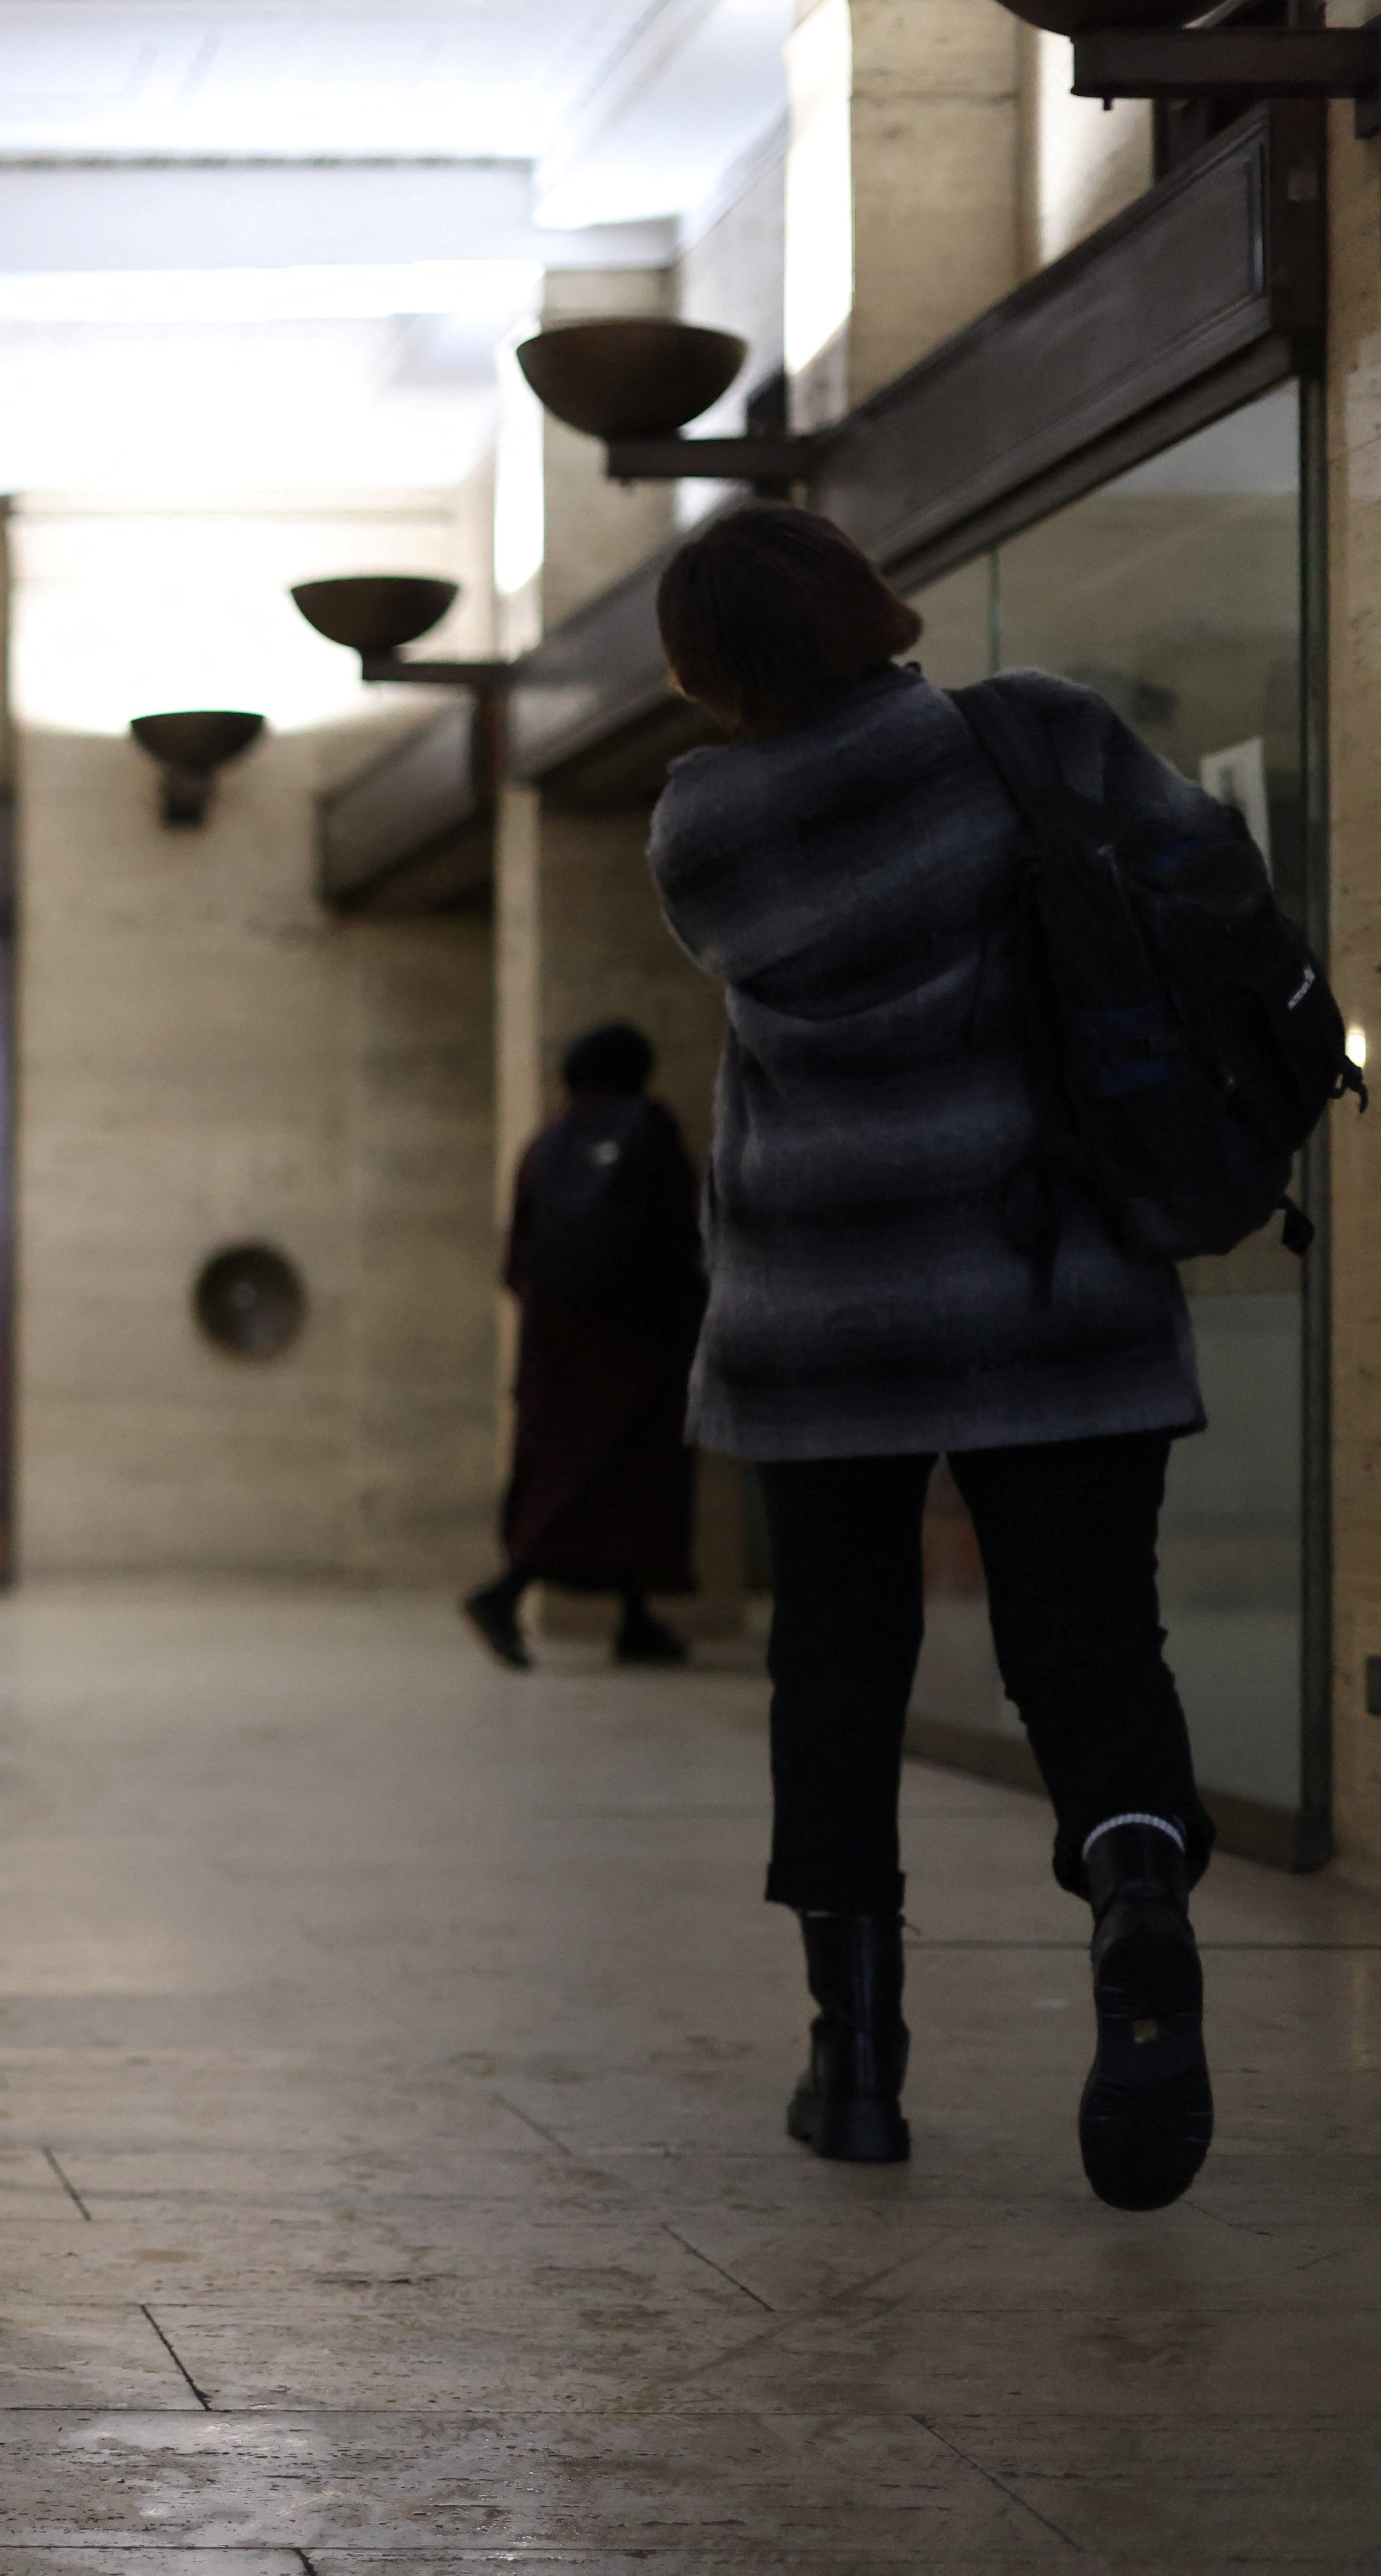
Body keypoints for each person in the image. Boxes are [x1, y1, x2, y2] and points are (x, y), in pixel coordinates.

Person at [648, 500, 1223, 2213]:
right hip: (1054, 1273)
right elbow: (1208, 884)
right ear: (861, 600)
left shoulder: (699, 825)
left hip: (820, 1307)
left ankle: (859, 2063)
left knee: (834, 1661)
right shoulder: (1025, 734)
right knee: (1085, 1638)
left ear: (705, 665)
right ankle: (1132, 1904)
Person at [461, 1021, 704, 1671]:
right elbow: (682, 1232)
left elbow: (516, 1260)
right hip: (637, 1342)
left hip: (556, 1347)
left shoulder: (547, 1144)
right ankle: (503, 1593)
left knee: (566, 1469)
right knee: (625, 1475)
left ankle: (635, 1620)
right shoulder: (650, 1130)